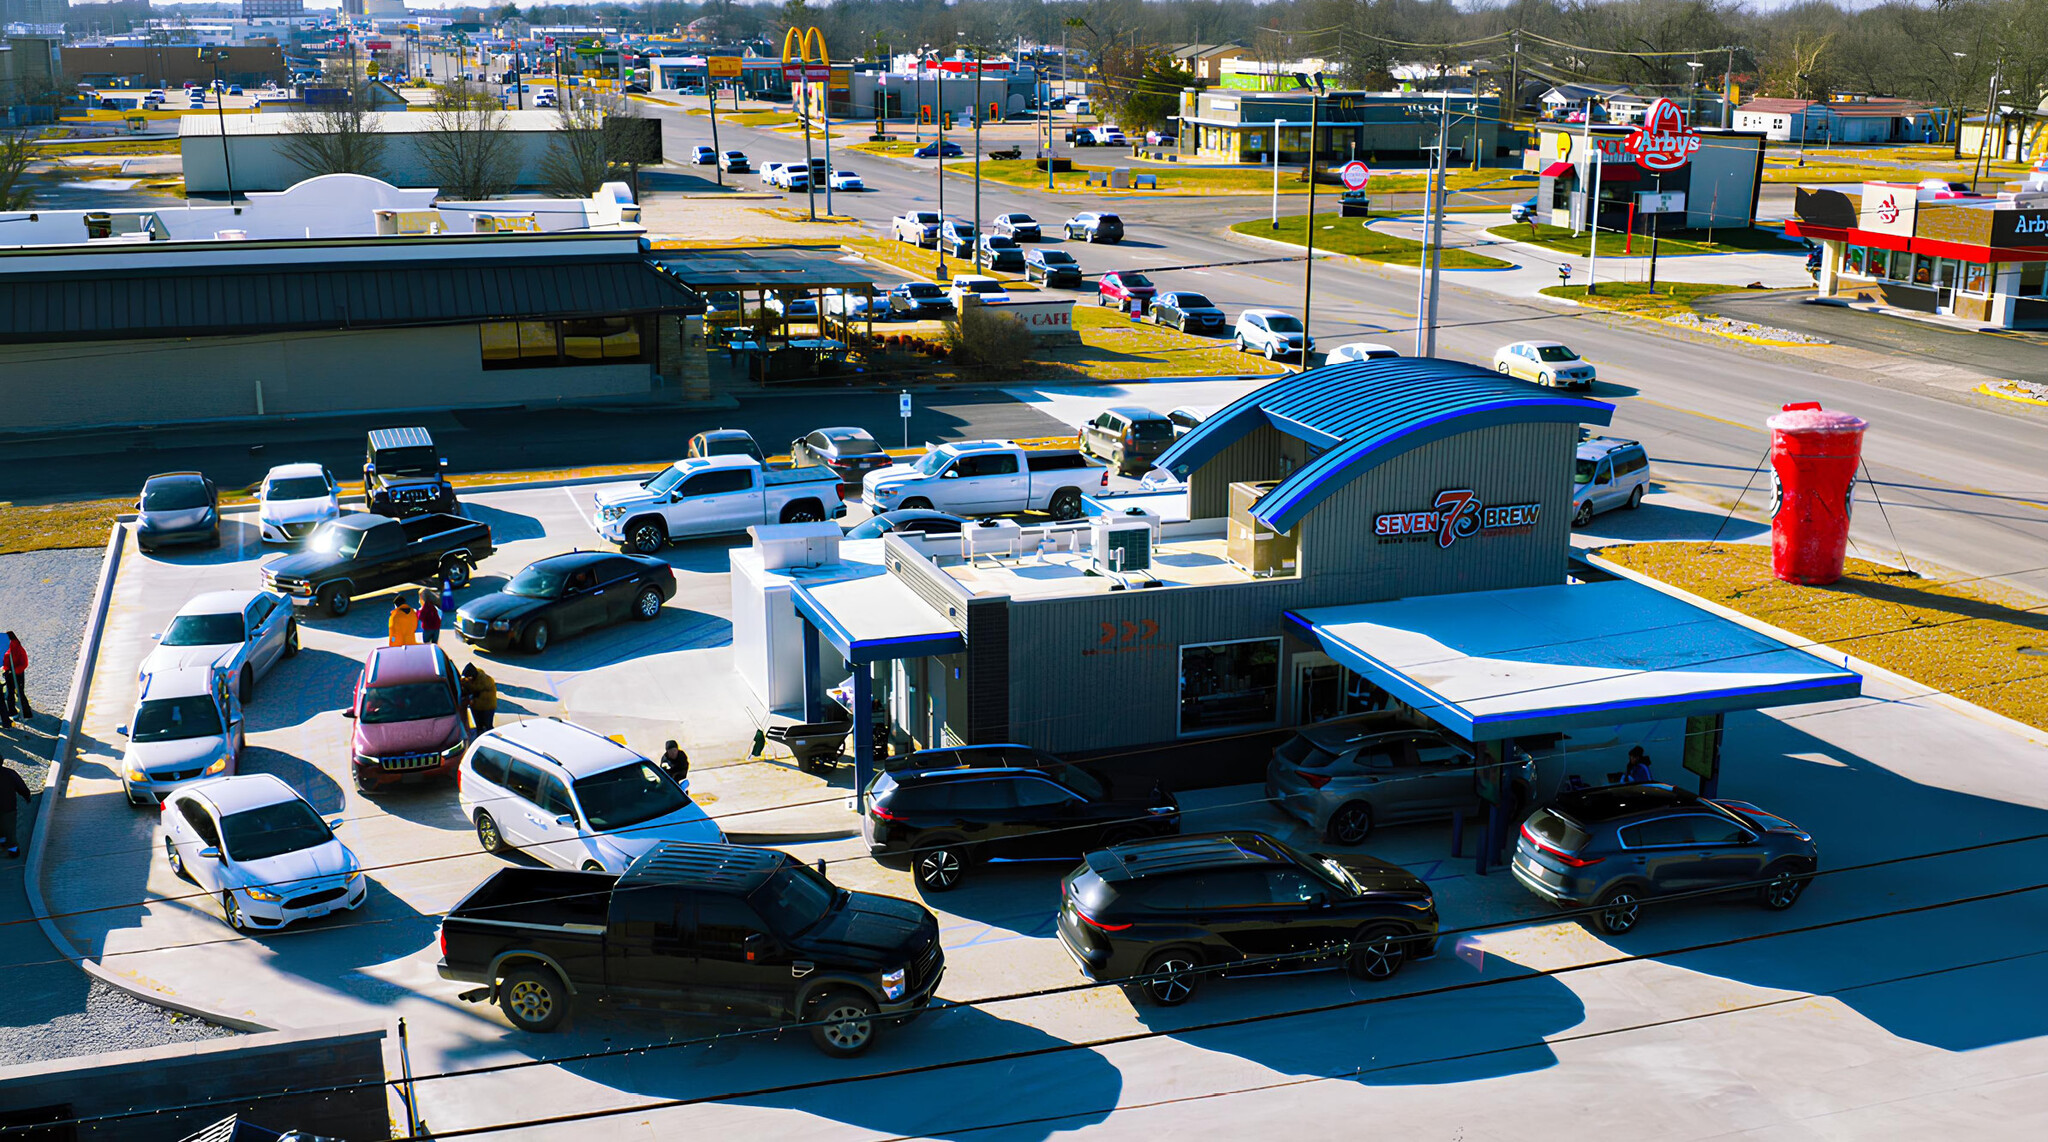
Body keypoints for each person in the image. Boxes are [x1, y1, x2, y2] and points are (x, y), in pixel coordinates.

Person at [0, 760, 30, 857]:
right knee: (10, 829)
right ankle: (13, 850)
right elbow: (21, 786)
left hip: (6, 807)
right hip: (8, 807)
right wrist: (27, 796)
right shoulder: (9, 773)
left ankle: (2, 842)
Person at [460, 663, 497, 732]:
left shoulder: (485, 681)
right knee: (479, 726)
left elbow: (485, 697)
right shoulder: (471, 679)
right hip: (476, 708)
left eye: (469, 677)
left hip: (487, 708)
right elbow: (466, 683)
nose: (467, 679)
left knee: (487, 726)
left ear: (473, 675)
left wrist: (473, 699)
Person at [3, 631, 27, 723]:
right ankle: (13, 712)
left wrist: (14, 671)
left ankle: (24, 712)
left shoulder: (18, 648)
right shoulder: (7, 648)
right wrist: (7, 669)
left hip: (17, 673)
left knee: (19, 692)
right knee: (10, 693)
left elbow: (24, 663)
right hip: (10, 673)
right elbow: (5, 661)